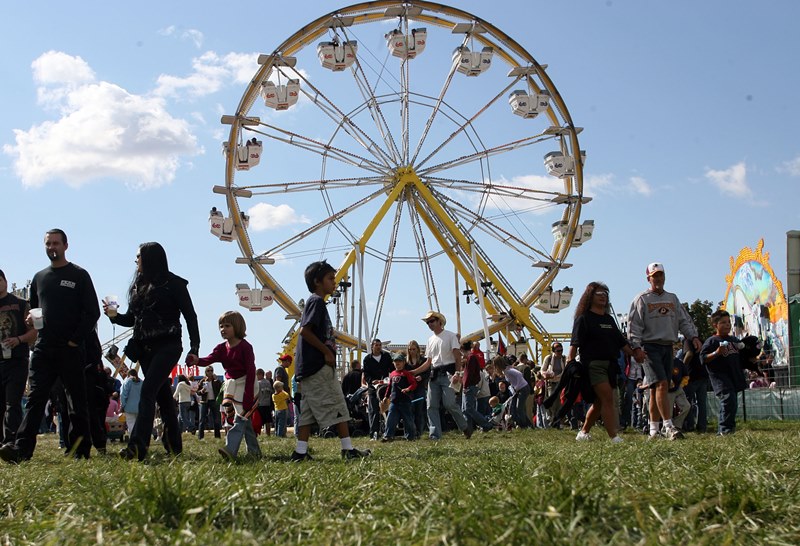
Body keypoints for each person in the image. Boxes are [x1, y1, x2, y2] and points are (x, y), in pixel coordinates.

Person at [1, 229, 99, 464]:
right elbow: (35, 312)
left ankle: (80, 450)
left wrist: (75, 340)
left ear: (66, 245)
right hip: (43, 349)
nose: (52, 247)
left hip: (70, 348)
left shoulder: (79, 275)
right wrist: (29, 322)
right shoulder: (39, 278)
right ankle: (21, 450)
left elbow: (92, 312)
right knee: (35, 399)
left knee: (76, 400)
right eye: (48, 244)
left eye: (56, 243)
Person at [110, 242, 200, 462]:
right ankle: (174, 446)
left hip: (168, 345)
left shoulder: (175, 284)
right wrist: (114, 316)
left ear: (149, 258)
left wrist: (194, 346)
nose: (136, 261)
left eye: (138, 256)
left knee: (148, 390)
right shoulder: (138, 286)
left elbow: (190, 315)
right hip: (145, 348)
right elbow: (131, 319)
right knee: (163, 397)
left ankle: (137, 446)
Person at [290, 261, 370, 461]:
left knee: (307, 412)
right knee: (338, 404)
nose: (334, 282)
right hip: (318, 366)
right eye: (330, 278)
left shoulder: (315, 302)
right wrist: (326, 351)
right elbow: (305, 331)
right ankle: (347, 449)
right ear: (317, 281)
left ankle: (300, 452)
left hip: (308, 368)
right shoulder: (316, 301)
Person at [628, 263, 700, 441]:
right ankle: (668, 425)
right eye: (655, 276)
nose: (658, 278)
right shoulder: (642, 299)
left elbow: (684, 320)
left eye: (661, 275)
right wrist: (636, 347)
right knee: (662, 385)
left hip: (668, 346)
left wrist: (693, 336)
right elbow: (634, 325)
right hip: (649, 346)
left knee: (655, 389)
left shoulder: (672, 298)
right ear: (648, 278)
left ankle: (653, 430)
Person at [570, 282, 634, 443]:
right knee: (608, 398)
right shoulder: (583, 319)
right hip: (593, 364)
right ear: (590, 297)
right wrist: (570, 365)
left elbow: (621, 342)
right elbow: (574, 344)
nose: (603, 297)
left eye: (605, 294)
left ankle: (583, 433)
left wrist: (636, 354)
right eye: (599, 294)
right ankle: (614, 436)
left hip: (610, 365)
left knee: (599, 402)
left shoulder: (609, 319)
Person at [191, 311, 260, 460]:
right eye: (221, 326)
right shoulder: (221, 348)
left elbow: (251, 371)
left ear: (237, 326)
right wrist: (196, 360)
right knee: (244, 419)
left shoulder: (245, 347)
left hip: (247, 383)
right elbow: (208, 359)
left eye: (227, 325)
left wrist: (248, 396)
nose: (223, 329)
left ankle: (230, 449)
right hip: (233, 385)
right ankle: (255, 453)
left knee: (240, 418)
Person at [412, 311, 470, 440]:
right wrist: (414, 372)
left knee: (449, 404)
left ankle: (464, 426)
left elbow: (457, 356)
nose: (430, 324)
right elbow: (428, 362)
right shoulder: (430, 340)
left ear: (439, 321)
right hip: (434, 374)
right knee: (431, 405)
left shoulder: (450, 336)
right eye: (428, 323)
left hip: (448, 374)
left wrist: (458, 373)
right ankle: (435, 435)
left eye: (432, 321)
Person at [0, 268, 36, 446]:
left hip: (17, 360)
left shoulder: (21, 304)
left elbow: (35, 331)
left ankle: (11, 441)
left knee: (12, 402)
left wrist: (19, 339)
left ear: (5, 281)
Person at [700, 310, 747, 435]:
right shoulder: (712, 341)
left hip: (733, 376)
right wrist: (716, 353)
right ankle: (724, 430)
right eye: (723, 323)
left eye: (729, 322)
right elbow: (703, 358)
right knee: (727, 400)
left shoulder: (734, 340)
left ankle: (730, 428)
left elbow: (743, 355)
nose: (727, 325)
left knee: (732, 403)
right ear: (715, 325)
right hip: (720, 377)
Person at [381, 352, 417, 442]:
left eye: (399, 362)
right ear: (393, 363)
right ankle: (388, 435)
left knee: (408, 419)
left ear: (404, 362)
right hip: (394, 401)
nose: (397, 364)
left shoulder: (406, 373)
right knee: (391, 419)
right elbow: (389, 386)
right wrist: (386, 396)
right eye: (396, 362)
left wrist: (408, 389)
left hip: (405, 401)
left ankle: (410, 436)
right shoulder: (392, 374)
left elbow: (414, 383)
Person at [362, 338, 393, 440]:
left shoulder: (386, 357)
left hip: (385, 387)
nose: (378, 347)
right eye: (376, 345)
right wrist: (371, 381)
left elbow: (391, 369)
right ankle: (374, 432)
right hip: (372, 388)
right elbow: (366, 374)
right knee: (374, 410)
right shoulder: (367, 359)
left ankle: (389, 431)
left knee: (388, 409)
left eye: (380, 345)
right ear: (372, 346)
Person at [460, 341, 493, 433]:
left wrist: (465, 385)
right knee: (465, 409)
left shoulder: (471, 358)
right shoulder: (472, 358)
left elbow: (469, 374)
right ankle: (468, 429)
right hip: (470, 386)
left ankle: (486, 424)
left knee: (468, 408)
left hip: (469, 386)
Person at [491, 356, 531, 429]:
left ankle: (524, 425)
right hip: (520, 389)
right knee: (518, 408)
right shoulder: (506, 371)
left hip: (523, 388)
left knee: (519, 408)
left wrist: (517, 387)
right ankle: (527, 425)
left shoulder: (508, 371)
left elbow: (519, 375)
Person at [406, 340, 429, 439]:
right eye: (410, 349)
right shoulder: (406, 362)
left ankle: (419, 432)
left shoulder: (423, 361)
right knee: (410, 410)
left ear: (418, 349)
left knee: (419, 410)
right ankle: (411, 432)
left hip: (419, 387)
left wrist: (422, 377)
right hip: (410, 389)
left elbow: (427, 372)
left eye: (414, 349)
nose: (412, 351)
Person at [540, 342, 566, 428]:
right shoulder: (549, 358)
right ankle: (553, 419)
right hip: (551, 383)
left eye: (561, 350)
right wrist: (546, 375)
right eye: (558, 351)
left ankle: (557, 422)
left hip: (561, 383)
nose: (560, 352)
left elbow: (565, 370)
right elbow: (542, 370)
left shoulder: (564, 358)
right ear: (554, 351)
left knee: (560, 403)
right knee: (552, 402)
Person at [196, 365, 222, 439]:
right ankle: (200, 437)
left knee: (216, 419)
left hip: (214, 401)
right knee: (202, 419)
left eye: (211, 370)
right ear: (206, 372)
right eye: (208, 371)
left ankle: (217, 437)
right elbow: (198, 392)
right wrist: (202, 391)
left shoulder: (216, 381)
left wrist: (217, 380)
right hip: (204, 401)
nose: (210, 372)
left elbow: (221, 389)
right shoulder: (202, 381)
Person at [120, 368, 143, 436]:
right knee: (139, 424)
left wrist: (122, 406)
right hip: (139, 407)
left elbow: (123, 395)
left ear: (128, 374)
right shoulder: (142, 382)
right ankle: (140, 439)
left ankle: (134, 439)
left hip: (129, 407)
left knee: (131, 424)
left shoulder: (127, 382)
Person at [256, 368, 274, 436]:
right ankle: (268, 434)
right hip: (267, 403)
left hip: (260, 403)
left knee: (259, 420)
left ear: (260, 375)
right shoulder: (268, 382)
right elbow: (271, 392)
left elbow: (256, 393)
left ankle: (258, 433)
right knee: (267, 421)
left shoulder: (258, 383)